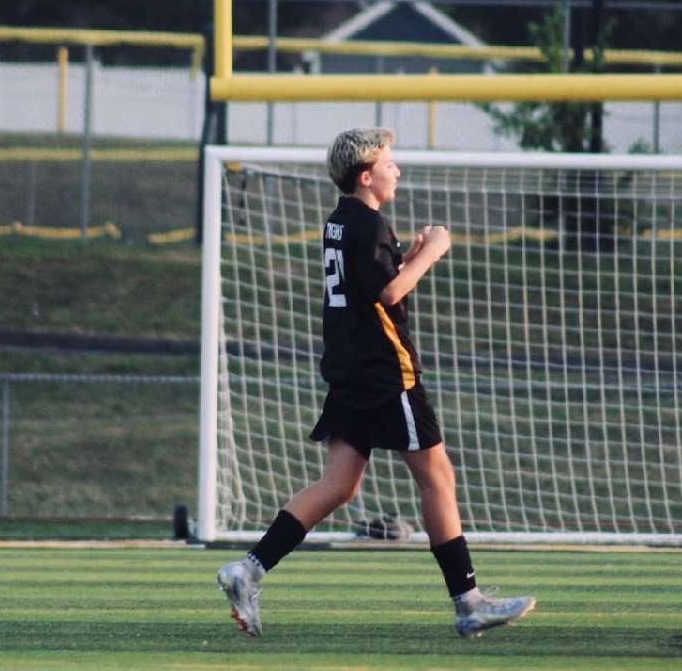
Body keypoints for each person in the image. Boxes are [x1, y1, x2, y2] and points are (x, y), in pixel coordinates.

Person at [215, 127, 536, 639]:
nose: (397, 170)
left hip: (349, 369)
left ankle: (248, 569)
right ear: (366, 176)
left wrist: (410, 254)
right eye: (389, 163)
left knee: (338, 485)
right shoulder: (368, 223)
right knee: (438, 476)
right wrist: (432, 253)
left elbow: (371, 288)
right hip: (386, 373)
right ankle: (469, 602)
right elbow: (388, 296)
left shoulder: (340, 223)